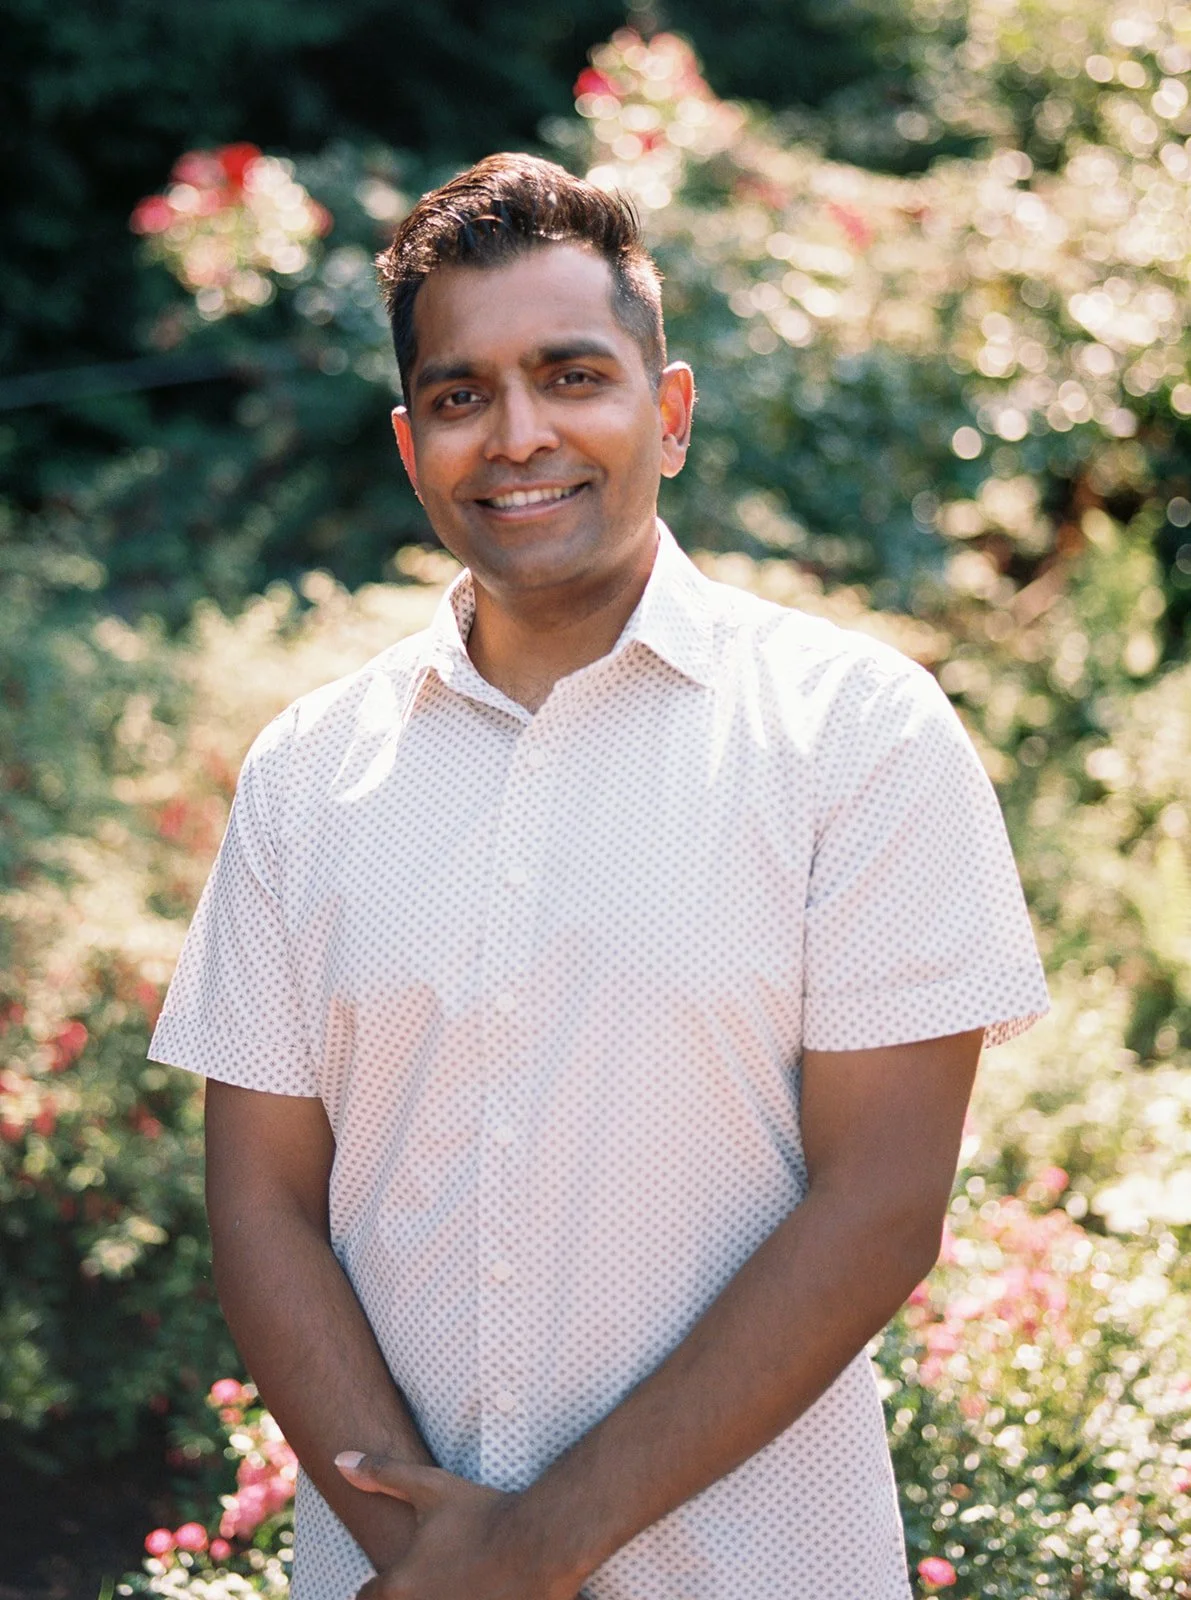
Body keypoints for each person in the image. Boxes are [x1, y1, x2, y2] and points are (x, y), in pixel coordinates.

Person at [149, 152, 1049, 1600]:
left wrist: (528, 1555)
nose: (517, 437)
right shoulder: (306, 776)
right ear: (408, 445)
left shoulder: (855, 734)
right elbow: (262, 1203)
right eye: (461, 395)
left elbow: (881, 1200)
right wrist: (434, 1564)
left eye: (572, 376)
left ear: (668, 412)